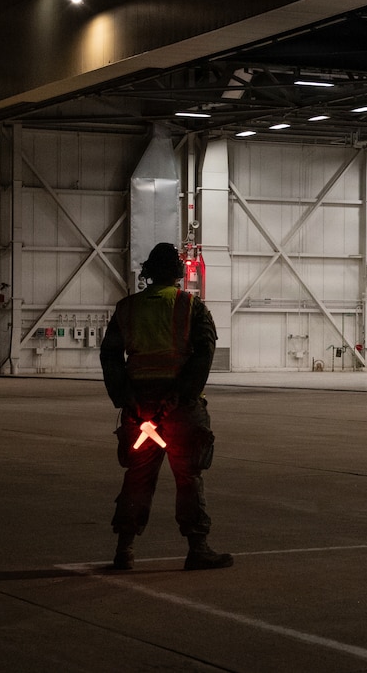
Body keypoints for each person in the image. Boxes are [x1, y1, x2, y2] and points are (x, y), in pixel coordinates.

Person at [100, 242, 232, 571]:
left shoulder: (127, 308)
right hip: (180, 409)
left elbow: (110, 356)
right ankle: (198, 547)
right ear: (177, 273)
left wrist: (126, 397)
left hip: (139, 407)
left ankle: (124, 550)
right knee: (188, 476)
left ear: (148, 272)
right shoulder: (191, 306)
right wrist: (181, 395)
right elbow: (204, 353)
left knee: (138, 476)